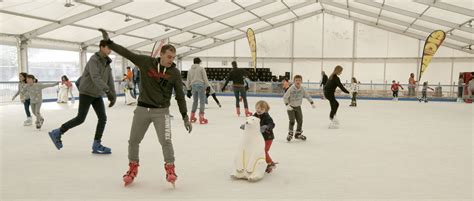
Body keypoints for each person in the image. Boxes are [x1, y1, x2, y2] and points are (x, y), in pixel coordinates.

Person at [96, 29, 192, 187]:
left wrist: (185, 116)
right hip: (142, 110)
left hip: (162, 112)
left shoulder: (174, 73)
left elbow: (180, 96)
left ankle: (170, 169)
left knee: (166, 141)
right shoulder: (146, 62)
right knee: (133, 141)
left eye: (173, 57)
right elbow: (127, 53)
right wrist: (110, 43)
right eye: (169, 57)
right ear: (160, 55)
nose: (171, 60)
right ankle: (132, 168)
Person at [48, 40, 117, 154]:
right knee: (80, 118)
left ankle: (96, 144)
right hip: (86, 92)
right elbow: (95, 77)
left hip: (97, 94)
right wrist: (107, 91)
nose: (110, 50)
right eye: (108, 48)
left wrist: (113, 96)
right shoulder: (94, 60)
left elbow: (110, 81)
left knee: (102, 118)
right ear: (101, 47)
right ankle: (58, 132)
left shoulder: (107, 63)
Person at [283, 75, 315, 141]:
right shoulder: (291, 88)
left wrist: (311, 102)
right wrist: (287, 105)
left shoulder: (302, 89)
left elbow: (307, 96)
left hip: (298, 107)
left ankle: (298, 134)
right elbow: (285, 97)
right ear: (294, 81)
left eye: (299, 80)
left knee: (300, 121)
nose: (298, 81)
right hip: (291, 107)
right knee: (292, 121)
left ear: (301, 81)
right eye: (296, 80)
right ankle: (290, 134)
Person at [253, 100, 277, 173]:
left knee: (264, 151)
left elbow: (272, 124)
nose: (259, 110)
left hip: (268, 138)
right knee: (259, 151)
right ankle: (263, 163)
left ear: (265, 110)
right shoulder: (255, 115)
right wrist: (246, 125)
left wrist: (266, 127)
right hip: (260, 138)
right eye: (258, 108)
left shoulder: (267, 116)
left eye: (262, 109)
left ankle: (270, 163)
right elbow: (251, 121)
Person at [186, 57, 210, 124]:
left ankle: (192, 116)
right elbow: (205, 78)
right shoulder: (201, 69)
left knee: (195, 102)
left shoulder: (190, 70)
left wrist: (188, 90)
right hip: (200, 86)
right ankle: (201, 118)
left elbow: (188, 80)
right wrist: (208, 86)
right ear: (199, 62)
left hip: (193, 86)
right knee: (202, 101)